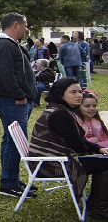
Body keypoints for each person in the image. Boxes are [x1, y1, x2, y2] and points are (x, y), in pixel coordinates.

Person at [29, 78, 108, 219]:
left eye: (80, 91)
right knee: (106, 163)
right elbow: (78, 146)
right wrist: (96, 151)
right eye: (73, 92)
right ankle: (99, 207)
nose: (79, 95)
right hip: (51, 165)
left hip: (50, 160)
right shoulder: (60, 115)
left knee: (104, 161)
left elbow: (79, 141)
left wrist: (99, 149)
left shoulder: (58, 109)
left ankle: (96, 203)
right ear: (61, 94)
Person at [0, 12, 38, 198]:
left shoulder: (10, 44)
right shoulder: (3, 44)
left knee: (10, 140)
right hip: (11, 101)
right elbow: (5, 74)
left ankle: (11, 179)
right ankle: (8, 183)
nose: (26, 29)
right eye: (25, 25)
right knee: (15, 142)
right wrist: (19, 95)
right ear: (16, 25)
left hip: (16, 101)